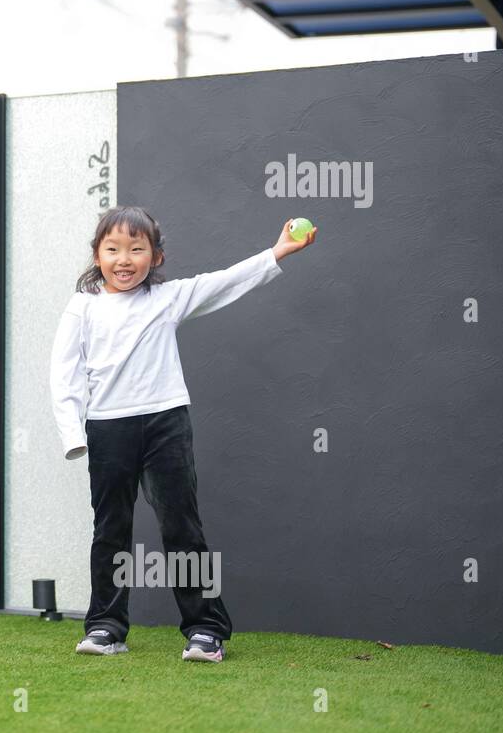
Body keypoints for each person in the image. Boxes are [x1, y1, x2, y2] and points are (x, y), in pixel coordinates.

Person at [48, 206, 317, 662]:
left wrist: (278, 252)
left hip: (165, 424)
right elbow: (64, 373)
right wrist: (74, 433)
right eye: (113, 249)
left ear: (155, 257)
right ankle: (105, 628)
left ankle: (206, 630)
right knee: (110, 529)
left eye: (137, 249)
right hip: (107, 429)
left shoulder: (168, 298)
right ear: (97, 255)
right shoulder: (83, 307)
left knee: (181, 527)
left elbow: (226, 280)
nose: (124, 259)